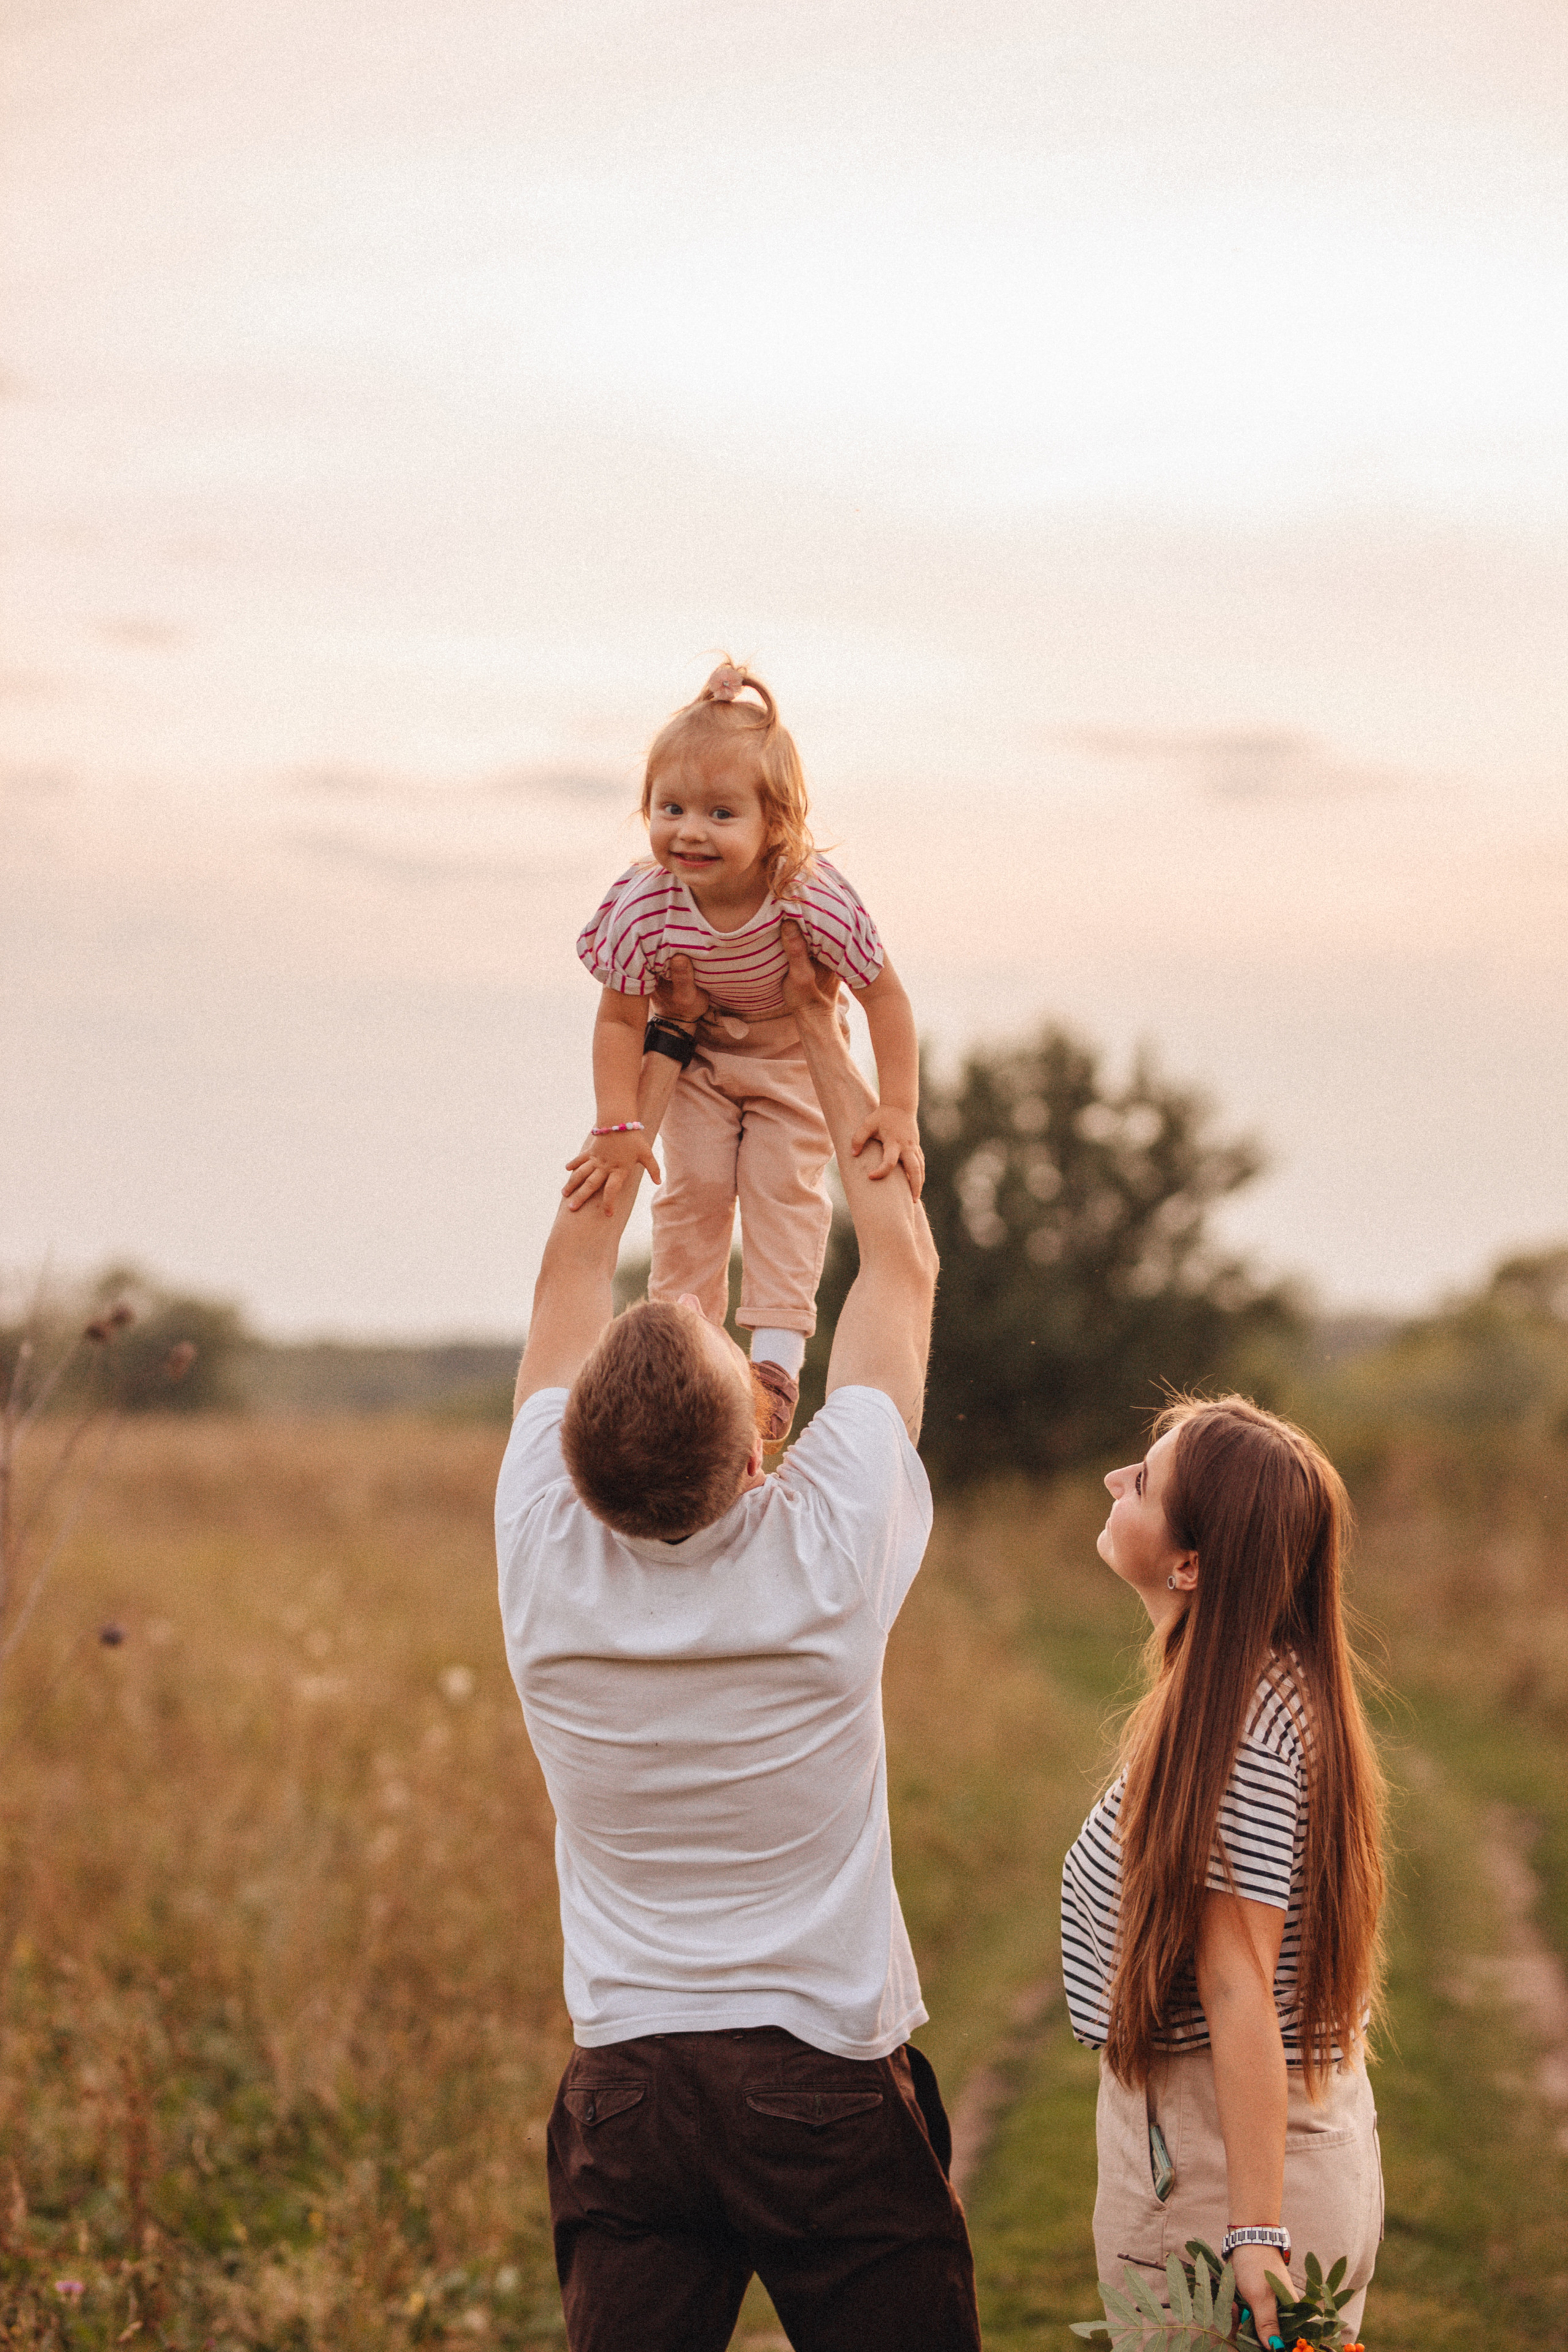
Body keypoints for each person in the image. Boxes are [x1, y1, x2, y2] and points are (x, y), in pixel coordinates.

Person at [494, 925, 981, 2352]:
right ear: (760, 1446)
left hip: (628, 2096)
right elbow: (898, 1271)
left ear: (567, 1453)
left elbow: (568, 1276)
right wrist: (819, 1028)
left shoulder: (539, 1550)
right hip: (821, 2080)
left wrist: (646, 1064)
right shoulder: (823, 1551)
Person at [1060, 1398, 1387, 2349]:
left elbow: (1239, 1985)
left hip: (1216, 2171)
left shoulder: (1239, 1727)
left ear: (1192, 1564)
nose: (1116, 1481)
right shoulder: (1266, 1691)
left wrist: (1254, 2231)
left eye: (1143, 1481)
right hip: (1270, 2147)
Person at [570, 660, 920, 1452]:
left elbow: (886, 998)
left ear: (777, 825)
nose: (689, 831)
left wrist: (899, 1109)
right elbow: (620, 1019)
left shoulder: (810, 895)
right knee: (691, 1188)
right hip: (695, 1059)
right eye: (671, 808)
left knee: (782, 1189)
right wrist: (617, 1122)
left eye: (721, 813)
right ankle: (685, 1342)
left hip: (792, 1055)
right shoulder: (643, 904)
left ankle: (773, 1367)